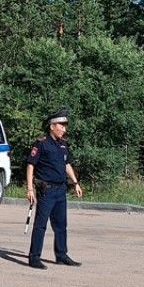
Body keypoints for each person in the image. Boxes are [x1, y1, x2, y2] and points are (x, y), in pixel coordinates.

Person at [25, 109, 84, 268]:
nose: (64, 129)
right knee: (40, 225)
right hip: (46, 190)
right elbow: (31, 165)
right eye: (62, 125)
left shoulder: (63, 145)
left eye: (65, 126)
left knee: (61, 225)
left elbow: (66, 165)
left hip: (60, 190)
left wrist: (75, 182)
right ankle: (34, 257)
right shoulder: (41, 143)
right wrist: (30, 189)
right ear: (52, 126)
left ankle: (61, 255)